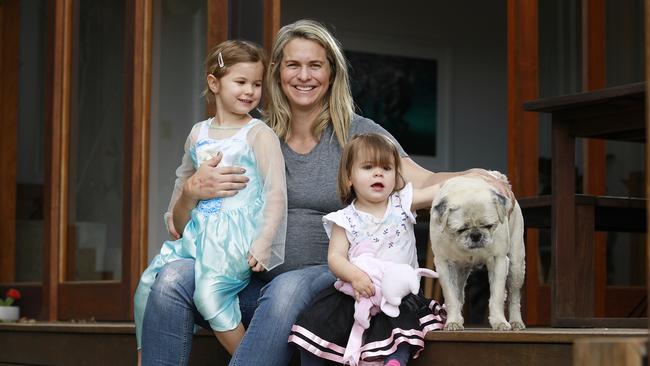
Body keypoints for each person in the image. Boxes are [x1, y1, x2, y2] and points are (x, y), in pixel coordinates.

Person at [139, 19, 511, 366]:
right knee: (172, 276)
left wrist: (470, 177)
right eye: (293, 65)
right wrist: (191, 191)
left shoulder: (358, 133)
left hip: (326, 282)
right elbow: (180, 226)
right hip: (248, 284)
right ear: (277, 73)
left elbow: (421, 180)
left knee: (286, 287)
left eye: (315, 65)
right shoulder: (251, 133)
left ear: (331, 72)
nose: (304, 75)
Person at [134, 39, 286, 357]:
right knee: (148, 284)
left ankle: (251, 360)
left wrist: (264, 242)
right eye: (240, 82)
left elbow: (276, 193)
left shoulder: (258, 134)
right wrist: (185, 200)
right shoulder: (198, 133)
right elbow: (183, 185)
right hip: (198, 235)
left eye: (256, 84)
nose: (250, 91)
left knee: (209, 295)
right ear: (214, 83)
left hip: (234, 239)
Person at [288, 133, 446, 366]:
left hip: (397, 297)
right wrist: (355, 276)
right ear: (349, 178)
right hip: (358, 292)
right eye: (368, 167)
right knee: (317, 326)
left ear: (395, 177)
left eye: (386, 168)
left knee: (401, 330)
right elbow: (335, 257)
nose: (378, 173)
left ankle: (395, 362)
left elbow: (440, 190)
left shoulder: (402, 203)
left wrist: (476, 179)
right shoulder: (345, 219)